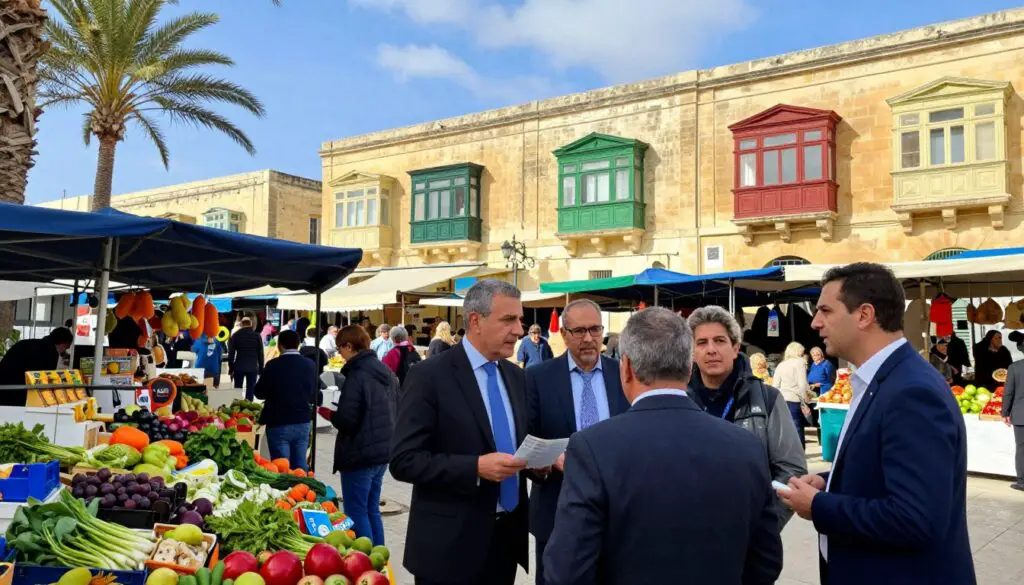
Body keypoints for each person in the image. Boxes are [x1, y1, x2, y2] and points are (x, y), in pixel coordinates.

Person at [544, 307, 783, 585]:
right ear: (689, 364)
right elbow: (766, 562)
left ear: (627, 367)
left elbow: (566, 570)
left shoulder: (592, 447)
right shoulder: (746, 446)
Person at [777, 262, 975, 585]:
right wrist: (830, 481)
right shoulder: (883, 380)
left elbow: (915, 518)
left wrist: (821, 506)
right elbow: (885, 470)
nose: (815, 323)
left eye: (825, 310)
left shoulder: (911, 392)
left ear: (864, 315)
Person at [390, 280, 532, 585]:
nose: (519, 330)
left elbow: (512, 445)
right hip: (447, 550)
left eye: (520, 320)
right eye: (509, 319)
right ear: (476, 321)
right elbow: (403, 460)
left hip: (505, 544)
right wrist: (475, 468)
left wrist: (539, 465)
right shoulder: (429, 376)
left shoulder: (516, 377)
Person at [525, 299, 630, 585]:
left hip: (618, 513)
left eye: (595, 330)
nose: (588, 338)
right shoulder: (536, 378)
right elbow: (525, 439)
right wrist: (543, 464)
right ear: (564, 334)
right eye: (579, 331)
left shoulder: (625, 374)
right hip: (557, 511)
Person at [686, 305, 806, 527]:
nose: (711, 349)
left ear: (735, 348)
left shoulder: (768, 398)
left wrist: (761, 527)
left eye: (720, 341)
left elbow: (792, 472)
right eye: (702, 342)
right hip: (691, 538)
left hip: (751, 539)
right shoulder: (680, 401)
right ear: (692, 352)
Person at [317, 326, 398, 544]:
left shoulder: (356, 375)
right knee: (372, 509)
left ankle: (366, 561)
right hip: (382, 452)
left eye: (340, 348)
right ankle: (379, 556)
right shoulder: (386, 372)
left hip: (359, 453)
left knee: (356, 512)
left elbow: (347, 421)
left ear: (349, 346)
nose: (339, 354)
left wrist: (329, 414)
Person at [254, 330, 318, 471]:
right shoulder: (310, 365)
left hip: (279, 421)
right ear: (298, 345)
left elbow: (259, 392)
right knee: (300, 466)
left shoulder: (273, 365)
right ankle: (303, 490)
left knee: (282, 467)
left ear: (280, 345)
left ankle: (287, 492)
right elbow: (314, 392)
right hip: (303, 421)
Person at [0, 327, 74, 407]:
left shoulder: (25, 343)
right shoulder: (50, 352)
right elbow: (47, 379)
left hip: (4, 385)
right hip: (18, 391)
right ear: (62, 343)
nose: (63, 351)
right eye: (66, 347)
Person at [773, 342, 815, 448]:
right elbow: (802, 384)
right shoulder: (799, 363)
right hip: (795, 399)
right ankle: (800, 452)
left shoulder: (781, 364)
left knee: (786, 428)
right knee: (797, 427)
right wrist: (806, 400)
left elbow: (775, 385)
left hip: (782, 399)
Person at [1002, 331, 1024, 492]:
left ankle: (1022, 481)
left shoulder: (1014, 368)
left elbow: (1008, 392)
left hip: (1021, 415)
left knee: (1022, 448)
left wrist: (1005, 412)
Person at [228, 317, 264, 401]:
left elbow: (231, 354)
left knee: (237, 390)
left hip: (239, 366)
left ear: (241, 324)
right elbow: (260, 353)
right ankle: (248, 407)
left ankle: (237, 409)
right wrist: (261, 367)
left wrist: (231, 368)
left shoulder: (235, 335)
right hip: (252, 367)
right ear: (251, 325)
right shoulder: (257, 336)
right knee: (250, 390)